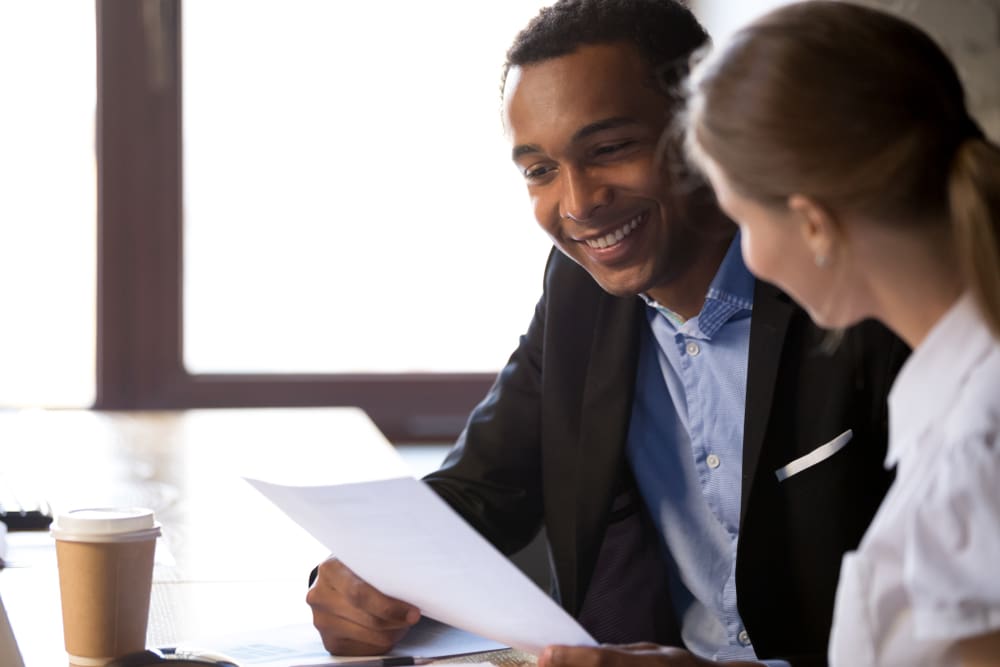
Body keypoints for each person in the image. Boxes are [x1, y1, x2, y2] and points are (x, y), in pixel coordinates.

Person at [306, 1, 908, 665]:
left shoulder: (852, 295)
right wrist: (362, 573)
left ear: (703, 128)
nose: (577, 204)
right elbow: (481, 487)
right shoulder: (580, 295)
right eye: (539, 169)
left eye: (610, 149)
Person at [674, 2, 1000, 665]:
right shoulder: (956, 394)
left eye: (744, 222)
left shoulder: (973, 451)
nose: (750, 257)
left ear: (814, 224)